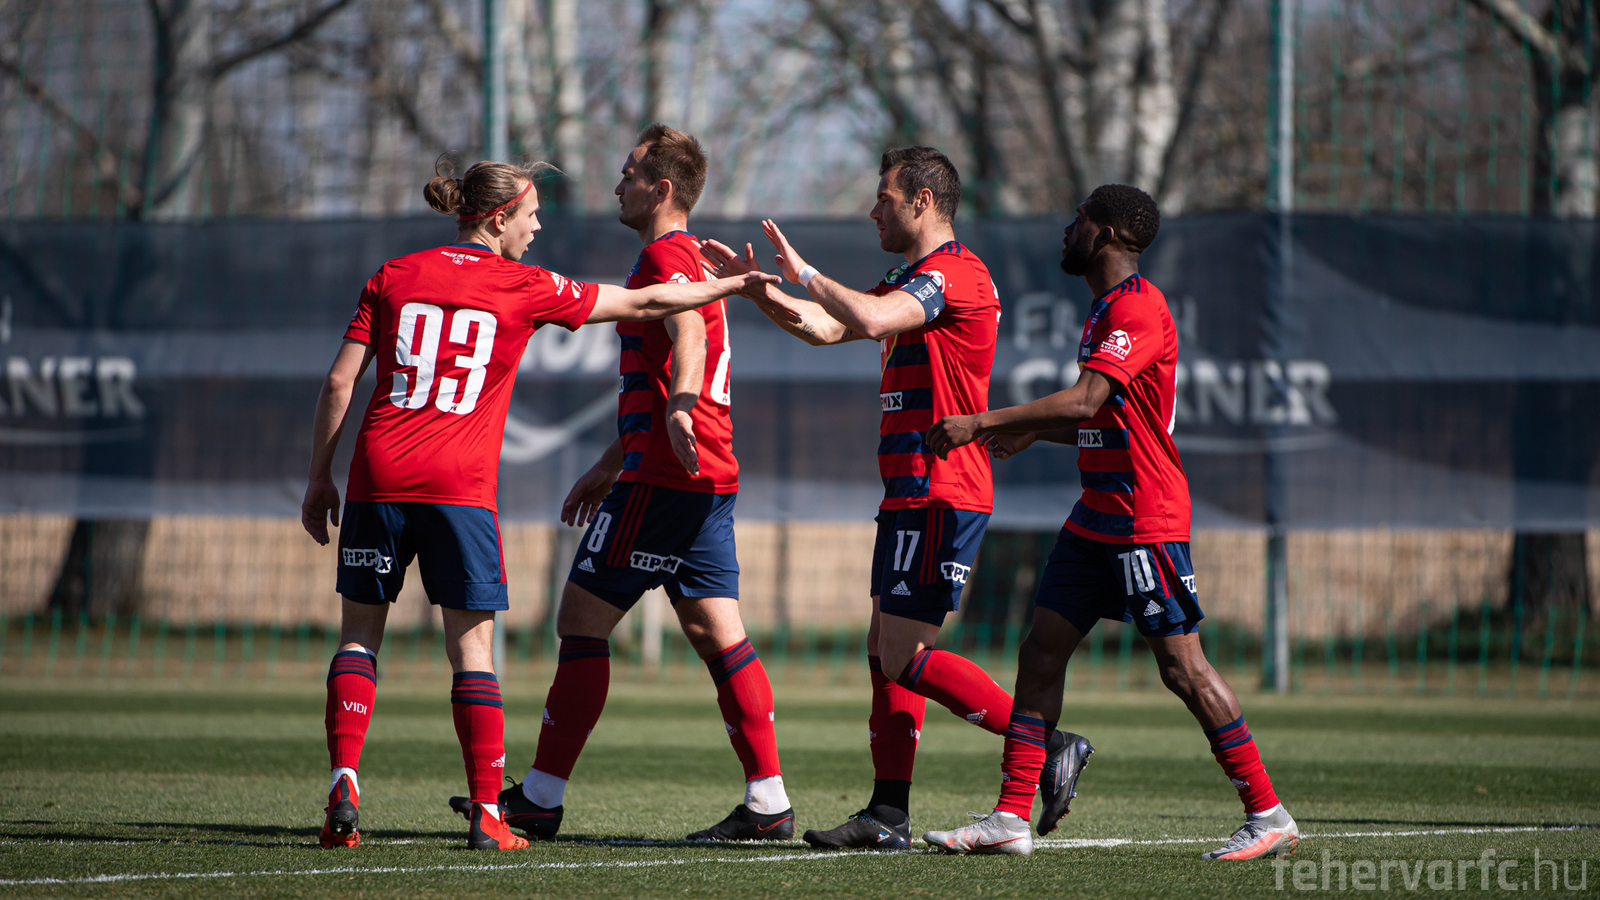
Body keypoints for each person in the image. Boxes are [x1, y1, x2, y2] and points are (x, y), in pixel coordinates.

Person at [300, 154, 777, 851]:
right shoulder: (524, 284)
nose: (538, 226)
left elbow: (341, 383)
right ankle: (491, 812)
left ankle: (346, 779)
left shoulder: (393, 273)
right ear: (499, 219)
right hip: (460, 488)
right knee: (474, 650)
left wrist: (320, 476)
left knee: (358, 637)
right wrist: (732, 284)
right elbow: (649, 306)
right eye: (530, 214)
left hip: (377, 476)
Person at [703, 146, 1080, 850]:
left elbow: (872, 320)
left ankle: (1047, 741)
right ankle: (887, 814)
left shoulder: (954, 273)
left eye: (885, 197)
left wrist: (806, 272)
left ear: (923, 202)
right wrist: (754, 291)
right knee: (885, 650)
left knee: (904, 655)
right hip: (909, 488)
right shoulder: (910, 280)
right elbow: (828, 327)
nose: (873, 209)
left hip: (943, 488)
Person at [921, 183, 1298, 859]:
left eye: (1080, 220)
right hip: (1096, 516)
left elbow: (1085, 399)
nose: (1068, 230)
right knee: (1040, 652)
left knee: (1183, 669)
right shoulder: (1104, 310)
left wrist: (984, 421)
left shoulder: (1139, 307)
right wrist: (1033, 432)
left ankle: (1267, 812)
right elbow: (1104, 417)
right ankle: (1010, 818)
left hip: (1144, 517)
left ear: (1109, 234)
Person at [493, 125, 794, 843]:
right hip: (704, 474)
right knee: (719, 632)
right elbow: (665, 366)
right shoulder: (686, 257)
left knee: (580, 619)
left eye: (629, 174)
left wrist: (680, 408)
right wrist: (610, 462)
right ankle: (768, 801)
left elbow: (687, 336)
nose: (617, 185)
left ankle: (539, 798)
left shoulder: (664, 256)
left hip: (664, 476)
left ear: (661, 190)